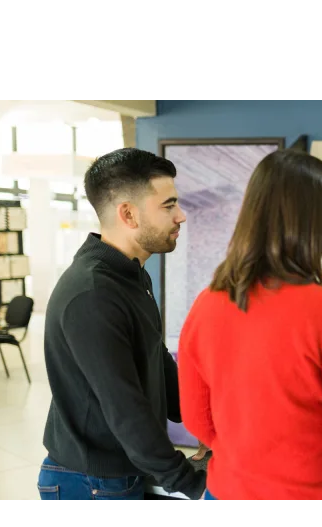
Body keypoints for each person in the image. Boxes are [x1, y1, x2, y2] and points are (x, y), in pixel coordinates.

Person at [177, 148, 322, 501]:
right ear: (317, 226)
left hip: (224, 490)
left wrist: (249, 457)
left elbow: (196, 418)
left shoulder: (207, 303)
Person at [38, 148, 206, 501]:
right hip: (92, 481)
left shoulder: (128, 276)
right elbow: (125, 408)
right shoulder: (93, 293)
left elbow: (155, 363)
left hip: (118, 473)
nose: (181, 216)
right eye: (168, 205)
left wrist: (209, 420)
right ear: (128, 214)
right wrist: (191, 481)